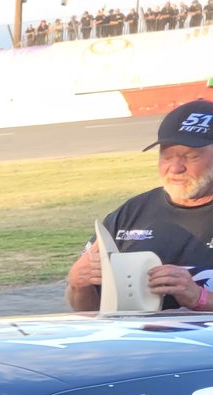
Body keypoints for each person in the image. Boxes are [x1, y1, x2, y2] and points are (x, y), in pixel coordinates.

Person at [65, 97, 213, 311]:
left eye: (190, 157)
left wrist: (201, 298)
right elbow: (91, 312)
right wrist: (79, 285)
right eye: (166, 156)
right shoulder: (130, 214)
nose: (175, 168)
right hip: (138, 334)